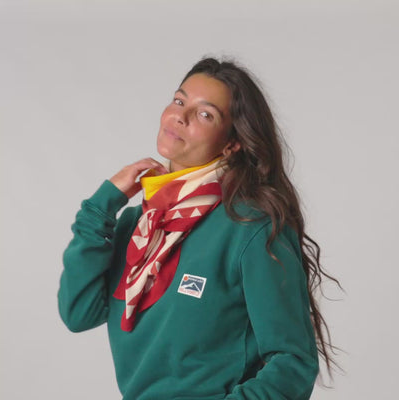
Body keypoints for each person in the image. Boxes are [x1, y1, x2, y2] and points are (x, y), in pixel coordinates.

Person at [58, 57, 338, 399]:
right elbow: (79, 313)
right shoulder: (139, 226)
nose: (181, 116)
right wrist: (101, 206)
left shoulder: (250, 227)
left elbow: (293, 362)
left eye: (205, 114)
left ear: (232, 143)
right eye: (179, 101)